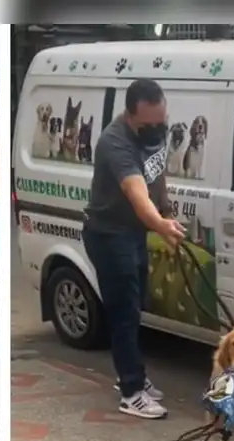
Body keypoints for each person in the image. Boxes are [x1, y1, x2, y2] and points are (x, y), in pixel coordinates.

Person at [82, 79, 186, 419]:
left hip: (134, 233)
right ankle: (131, 391)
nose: (156, 131)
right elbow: (138, 194)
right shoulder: (115, 142)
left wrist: (167, 213)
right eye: (148, 126)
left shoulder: (155, 132)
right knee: (124, 312)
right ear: (130, 116)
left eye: (161, 123)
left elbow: (157, 173)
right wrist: (160, 225)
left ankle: (133, 375)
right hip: (109, 235)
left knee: (137, 303)